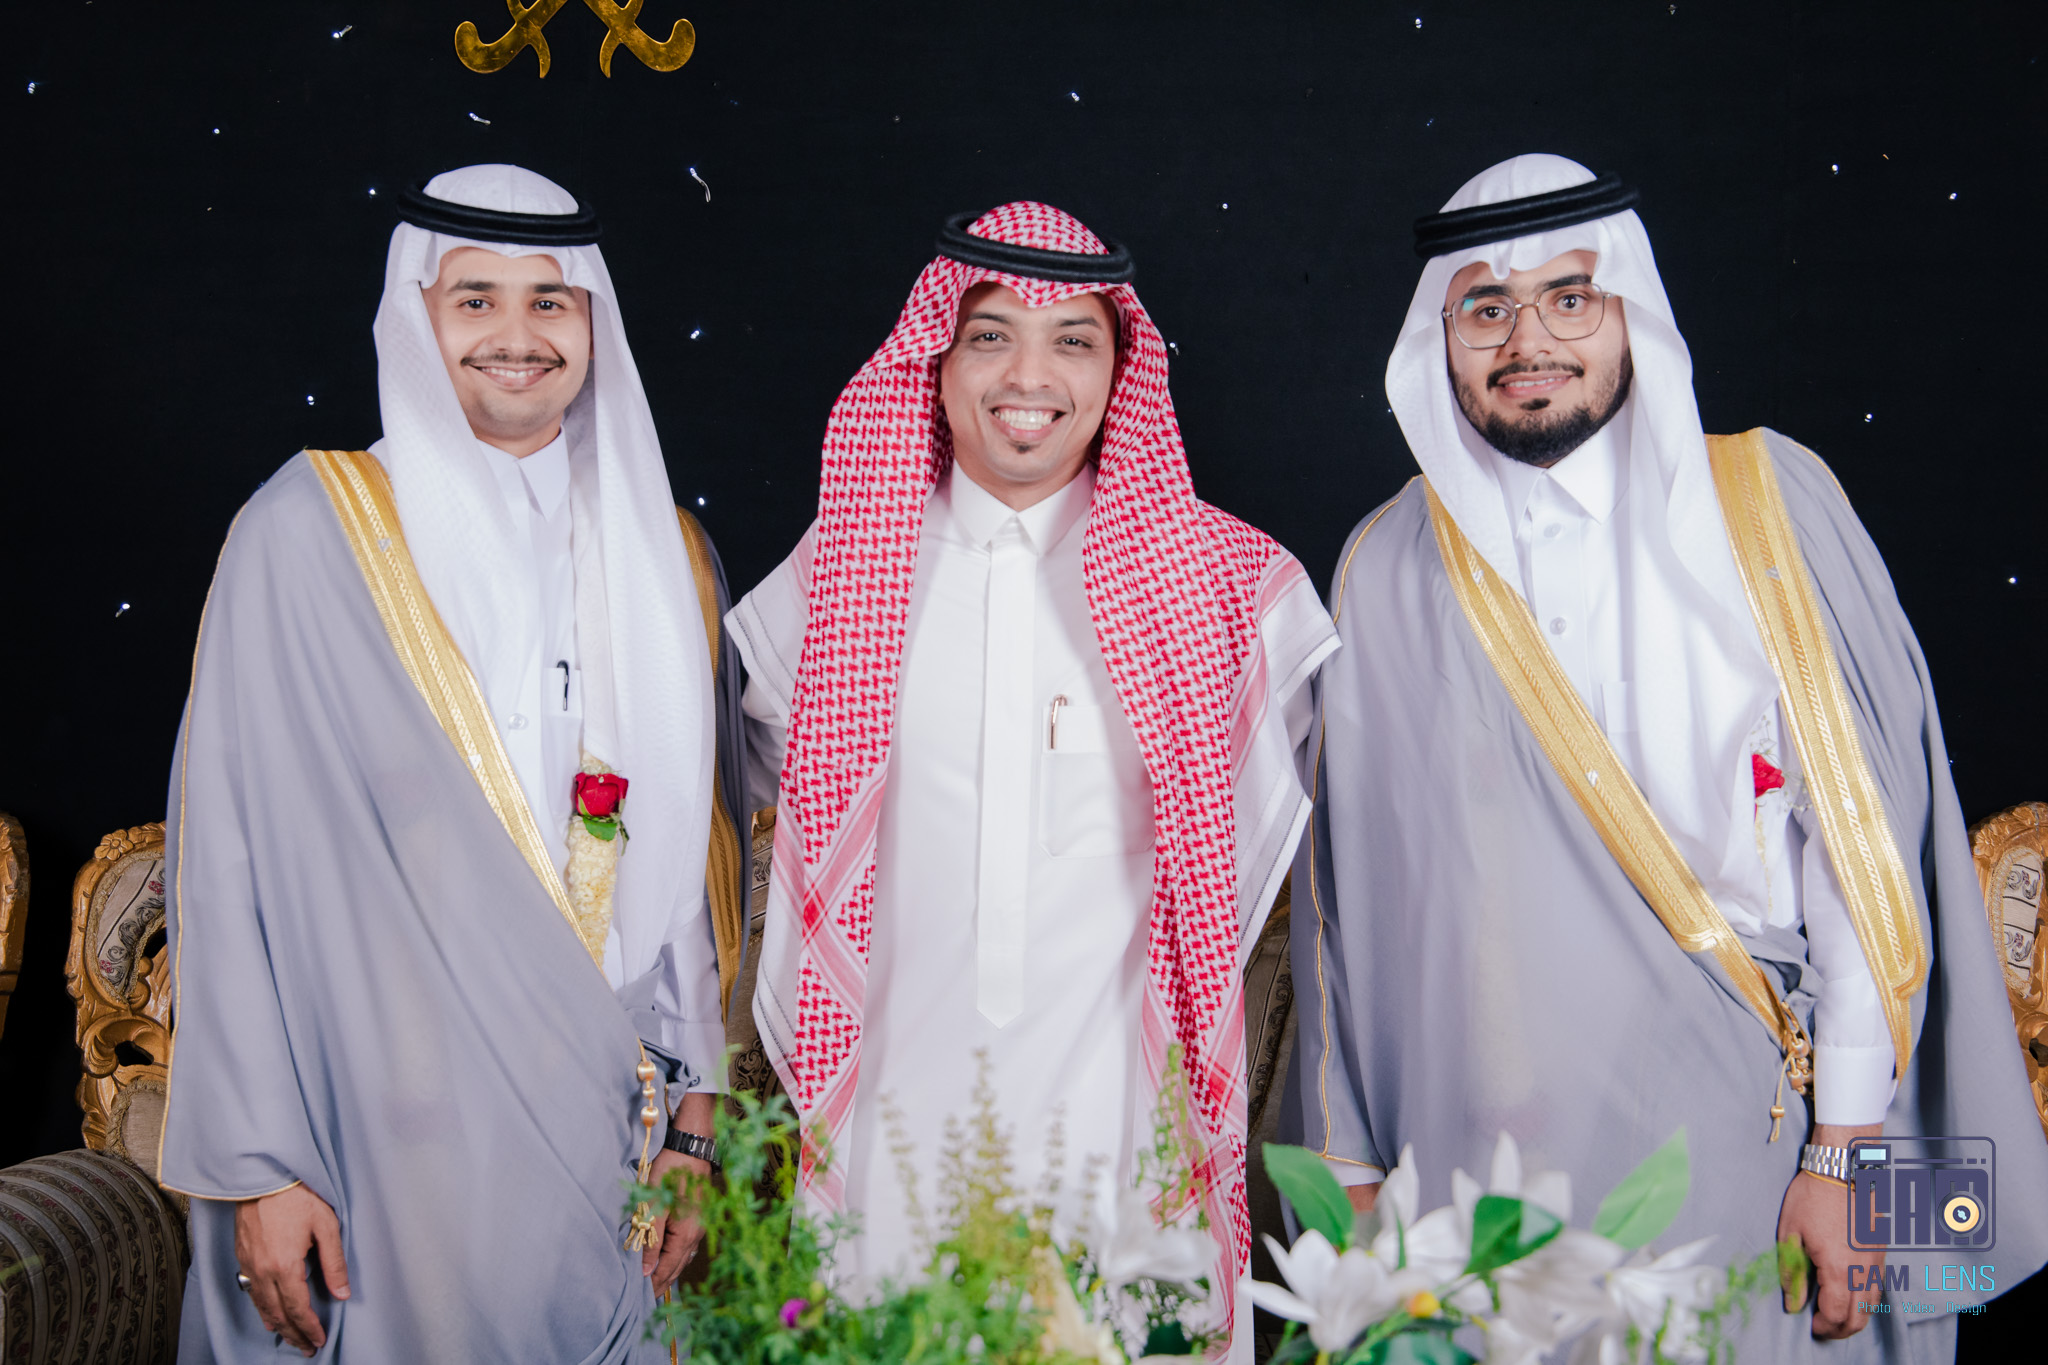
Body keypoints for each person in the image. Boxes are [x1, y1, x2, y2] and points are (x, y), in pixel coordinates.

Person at [1285, 153, 2048, 1358]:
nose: (1528, 341)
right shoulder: (1383, 565)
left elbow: (1863, 860)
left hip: (1762, 1135)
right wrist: (1352, 1179)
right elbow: (1342, 904)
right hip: (1483, 1172)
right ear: (1440, 336)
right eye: (1485, 308)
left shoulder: (1769, 503)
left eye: (1567, 298)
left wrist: (1846, 1155)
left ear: (1628, 310)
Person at [159, 164, 750, 1362]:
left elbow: (690, 880)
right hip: (372, 1139)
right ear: (413, 315)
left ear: (594, 321)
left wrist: (696, 1127)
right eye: (474, 299)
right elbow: (224, 864)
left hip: (607, 1135)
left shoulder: (669, 556)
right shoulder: (305, 533)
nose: (516, 335)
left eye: (551, 299)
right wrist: (260, 1166)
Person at [725, 203, 1336, 1357]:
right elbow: (767, 843)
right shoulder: (832, 580)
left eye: (1072, 340)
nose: (1028, 376)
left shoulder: (1230, 592)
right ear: (936, 360)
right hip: (888, 1140)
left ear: (1118, 371)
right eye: (990, 335)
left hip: (1119, 1141)